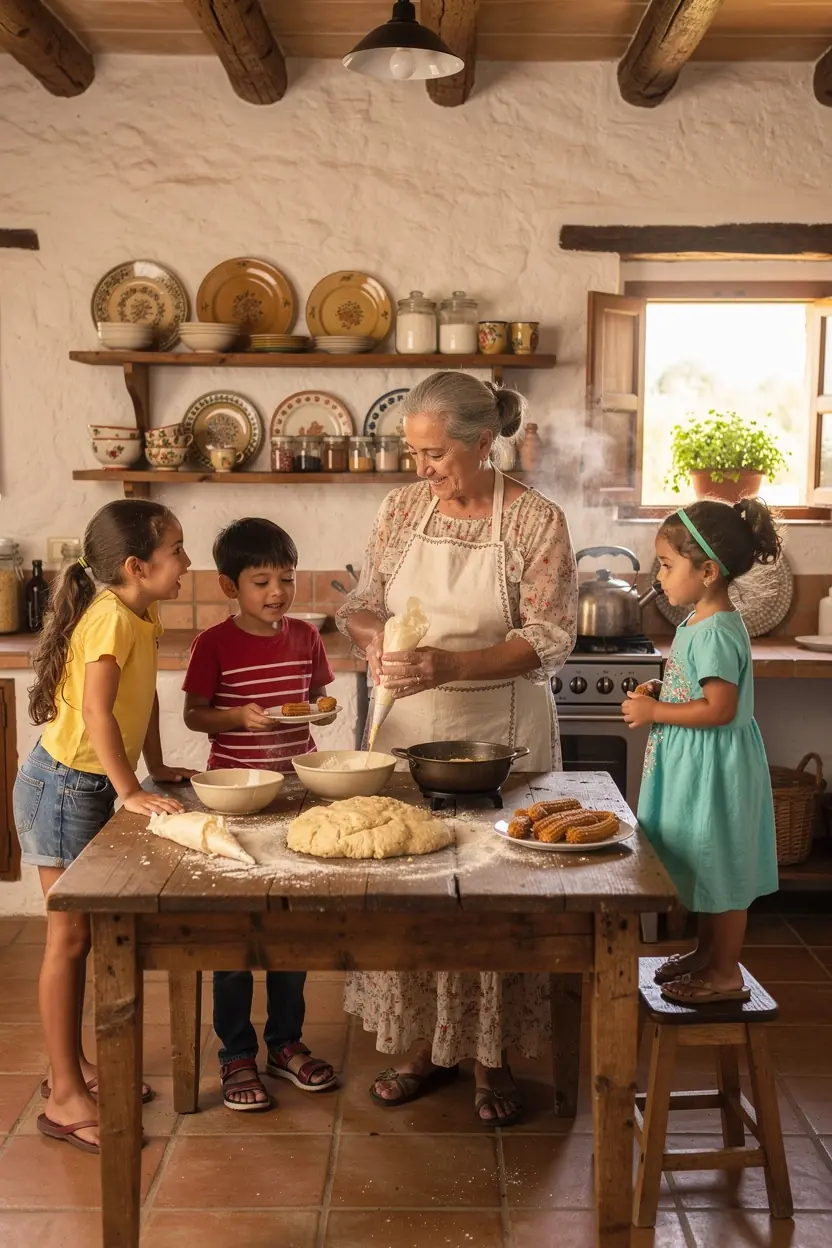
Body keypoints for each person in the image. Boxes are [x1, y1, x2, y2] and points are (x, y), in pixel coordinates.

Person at [336, 371, 577, 1125]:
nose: (421, 468)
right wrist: (382, 643)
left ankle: (492, 1055)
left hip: (501, 733)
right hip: (409, 725)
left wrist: (448, 663)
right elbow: (362, 603)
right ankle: (420, 1046)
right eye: (413, 452)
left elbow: (547, 639)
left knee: (493, 897)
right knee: (412, 889)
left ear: (482, 443)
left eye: (435, 454)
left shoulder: (537, 521)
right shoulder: (401, 509)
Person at [13, 500, 194, 1155]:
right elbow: (95, 714)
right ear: (138, 565)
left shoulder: (142, 612)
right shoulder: (111, 620)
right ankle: (65, 1095)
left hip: (83, 785)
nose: (187, 562)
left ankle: (76, 1068)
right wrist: (131, 790)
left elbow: (137, 702)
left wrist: (157, 765)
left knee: (81, 937)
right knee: (68, 939)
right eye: (177, 550)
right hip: (64, 788)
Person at [183, 517, 338, 1110]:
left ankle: (285, 1043)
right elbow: (198, 715)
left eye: (287, 579)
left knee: (290, 931)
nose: (277, 592)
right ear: (230, 587)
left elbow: (319, 700)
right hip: (238, 799)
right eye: (261, 581)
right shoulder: (213, 644)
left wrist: (321, 714)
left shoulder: (305, 636)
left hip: (296, 794)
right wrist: (239, 717)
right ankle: (236, 1055)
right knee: (235, 936)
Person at [622, 498, 780, 1005]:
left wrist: (654, 714)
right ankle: (705, 955)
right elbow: (697, 690)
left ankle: (726, 974)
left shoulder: (714, 629)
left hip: (714, 769)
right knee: (706, 864)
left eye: (667, 565)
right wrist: (663, 693)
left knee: (723, 873)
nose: (658, 576)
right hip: (698, 765)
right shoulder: (698, 620)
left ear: (707, 570)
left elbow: (717, 709)